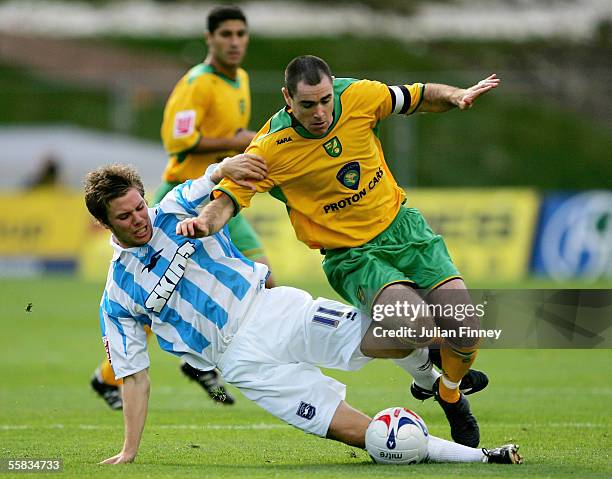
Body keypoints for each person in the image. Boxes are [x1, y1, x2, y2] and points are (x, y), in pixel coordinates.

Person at [84, 161, 521, 466]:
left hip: (274, 310)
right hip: (243, 365)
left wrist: (232, 168)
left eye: (140, 206)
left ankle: (433, 384)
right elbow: (135, 375)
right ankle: (482, 456)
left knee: (400, 330)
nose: (139, 219)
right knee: (373, 439)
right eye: (125, 216)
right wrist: (129, 450)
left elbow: (216, 174)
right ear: (105, 225)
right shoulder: (116, 297)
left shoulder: (175, 207)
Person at [178, 55, 502, 448]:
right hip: (352, 256)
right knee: (414, 322)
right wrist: (204, 223)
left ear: (334, 88)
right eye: (308, 105)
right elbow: (226, 200)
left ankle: (449, 393)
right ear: (287, 99)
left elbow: (417, 96)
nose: (320, 112)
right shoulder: (270, 148)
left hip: (403, 229)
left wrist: (457, 94)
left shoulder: (360, 95)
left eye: (325, 100)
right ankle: (434, 379)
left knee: (464, 327)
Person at [90, 5, 273, 408]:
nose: (234, 42)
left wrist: (236, 145)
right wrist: (235, 138)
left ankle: (256, 358)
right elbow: (178, 140)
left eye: (240, 34)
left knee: (266, 276)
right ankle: (108, 377)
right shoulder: (196, 83)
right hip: (183, 199)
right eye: (225, 34)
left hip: (219, 199)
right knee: (158, 291)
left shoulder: (239, 79)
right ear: (210, 38)